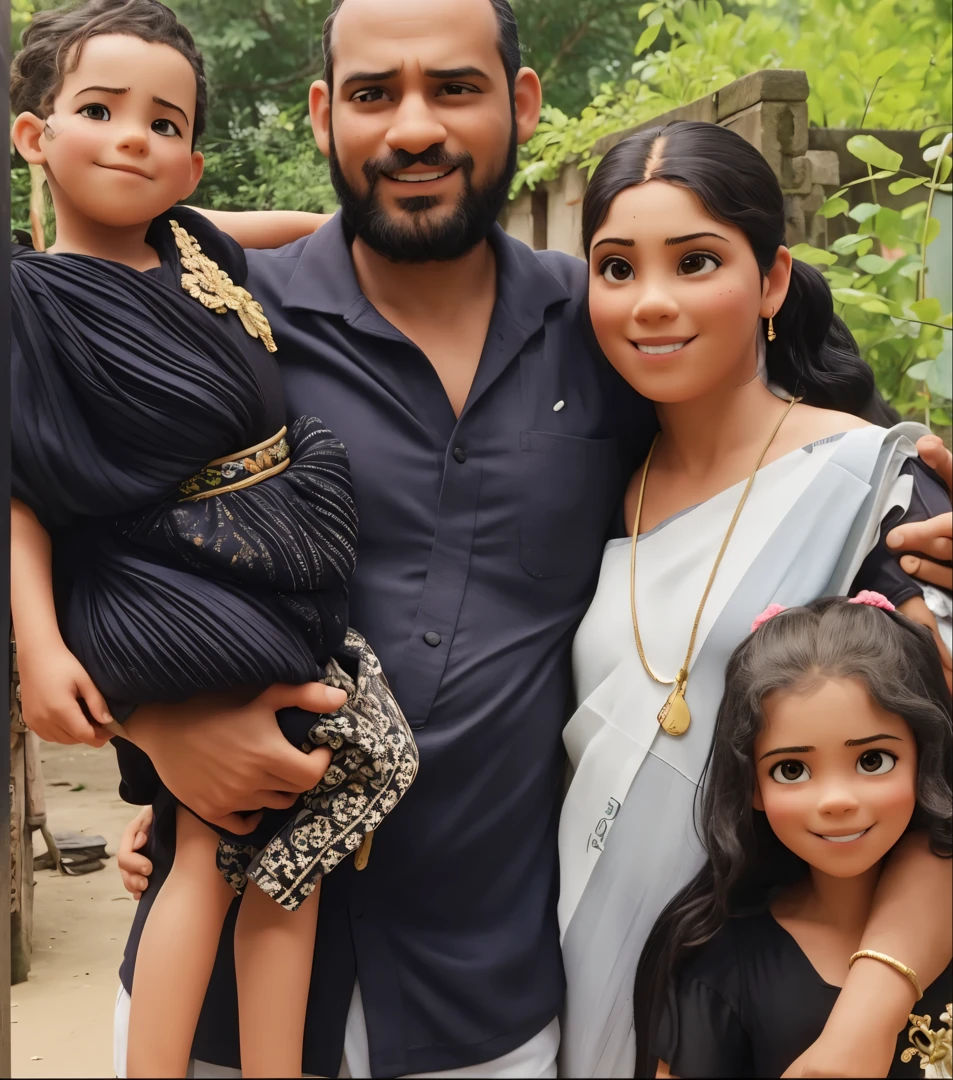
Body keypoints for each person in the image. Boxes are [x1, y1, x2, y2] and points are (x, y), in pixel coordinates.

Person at [113, 2, 953, 1077]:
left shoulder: (605, 336)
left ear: (519, 104)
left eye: (453, 88)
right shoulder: (221, 329)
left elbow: (788, 460)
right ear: (323, 116)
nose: (412, 128)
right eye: (373, 94)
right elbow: (82, 530)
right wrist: (153, 730)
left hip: (494, 1007)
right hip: (225, 994)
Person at [8, 1, 416, 1075]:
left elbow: (271, 222)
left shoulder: (191, 248)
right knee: (208, 842)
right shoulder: (31, 301)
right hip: (172, 582)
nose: (134, 137)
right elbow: (20, 490)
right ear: (33, 136)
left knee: (292, 829)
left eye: (166, 123)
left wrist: (349, 229)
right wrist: (40, 647)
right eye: (99, 110)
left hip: (274, 553)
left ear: (189, 165)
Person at [558, 120, 953, 1078]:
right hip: (581, 960)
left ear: (772, 281)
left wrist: (860, 1025)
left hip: (784, 1005)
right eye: (616, 268)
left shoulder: (871, 489)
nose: (650, 303)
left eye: (695, 262)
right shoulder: (587, 489)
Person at [637, 593, 952, 1078]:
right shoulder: (720, 968)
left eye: (872, 760)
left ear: (923, 757)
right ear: (753, 787)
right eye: (790, 769)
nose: (835, 800)